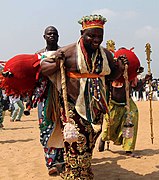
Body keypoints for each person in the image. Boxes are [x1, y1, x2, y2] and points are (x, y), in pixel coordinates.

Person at [40, 14, 126, 179]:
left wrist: (120, 68)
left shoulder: (106, 55)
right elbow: (44, 67)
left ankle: (84, 171)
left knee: (90, 141)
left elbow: (110, 76)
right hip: (72, 105)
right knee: (75, 140)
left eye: (99, 36)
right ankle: (73, 172)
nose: (96, 40)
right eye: (92, 36)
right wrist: (57, 62)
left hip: (96, 107)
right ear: (82, 33)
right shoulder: (68, 51)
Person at [99, 51, 151, 157]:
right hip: (113, 103)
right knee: (110, 125)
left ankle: (129, 149)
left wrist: (145, 79)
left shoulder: (130, 77)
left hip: (127, 103)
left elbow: (136, 87)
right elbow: (105, 90)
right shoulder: (110, 76)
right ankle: (104, 138)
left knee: (132, 120)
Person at [35, 26, 65, 175]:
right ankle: (51, 163)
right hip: (45, 98)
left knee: (63, 127)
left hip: (62, 97)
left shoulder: (64, 54)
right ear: (44, 36)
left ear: (58, 36)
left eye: (54, 33)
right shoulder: (38, 56)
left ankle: (62, 160)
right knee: (46, 128)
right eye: (49, 33)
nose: (52, 36)